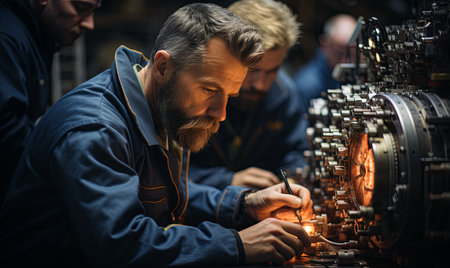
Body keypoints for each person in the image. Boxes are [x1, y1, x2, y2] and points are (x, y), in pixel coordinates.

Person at [0, 3, 313, 267]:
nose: (220, 113)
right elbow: (121, 244)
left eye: (229, 96)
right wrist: (236, 245)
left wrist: (243, 204)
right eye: (209, 90)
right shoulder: (96, 129)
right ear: (163, 66)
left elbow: (162, 202)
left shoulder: (159, 105)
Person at [189, 0, 309, 190]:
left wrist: (290, 181)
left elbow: (298, 152)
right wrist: (226, 181)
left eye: (272, 71)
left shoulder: (285, 95)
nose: (260, 85)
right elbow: (168, 172)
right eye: (252, 70)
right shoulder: (191, 92)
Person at [0, 0, 100, 204]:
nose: (90, 24)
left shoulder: (39, 36)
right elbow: (8, 137)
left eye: (93, 11)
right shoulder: (7, 39)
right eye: (81, 8)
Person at [293, 14, 356, 108]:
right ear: (324, 42)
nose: (345, 61)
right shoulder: (306, 85)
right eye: (339, 53)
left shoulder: (357, 73)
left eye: (351, 54)